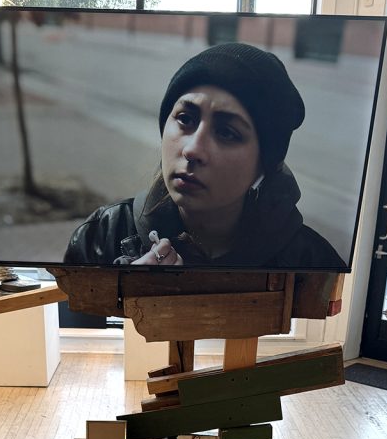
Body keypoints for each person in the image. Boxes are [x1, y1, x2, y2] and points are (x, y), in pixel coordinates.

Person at [64, 41, 341, 269]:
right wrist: (121, 294)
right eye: (185, 118)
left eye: (227, 133)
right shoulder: (101, 236)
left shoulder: (310, 261)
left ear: (264, 163)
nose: (192, 149)